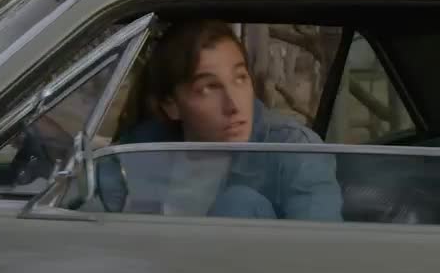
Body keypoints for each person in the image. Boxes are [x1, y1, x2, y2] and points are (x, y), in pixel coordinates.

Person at [113, 18, 343, 220]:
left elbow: (325, 258)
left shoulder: (294, 151)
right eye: (209, 87)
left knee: (239, 204)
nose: (234, 105)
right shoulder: (143, 148)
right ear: (171, 105)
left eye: (240, 78)